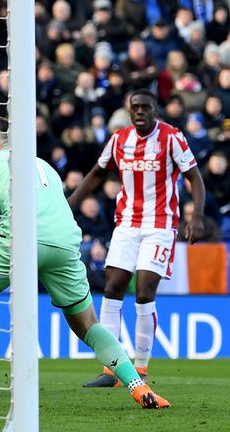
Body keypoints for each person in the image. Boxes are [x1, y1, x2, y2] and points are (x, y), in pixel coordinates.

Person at [0, 117, 170, 410]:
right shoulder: (44, 165)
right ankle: (139, 387)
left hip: (21, 242)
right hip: (65, 245)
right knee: (88, 325)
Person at [67, 89, 206, 388]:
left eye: (146, 107)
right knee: (113, 288)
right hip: (127, 223)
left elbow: (195, 177)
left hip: (160, 224)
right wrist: (67, 206)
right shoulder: (119, 139)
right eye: (135, 108)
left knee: (144, 292)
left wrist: (196, 217)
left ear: (155, 109)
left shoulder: (172, 138)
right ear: (129, 111)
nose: (140, 112)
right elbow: (96, 174)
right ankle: (111, 370)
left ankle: (140, 368)